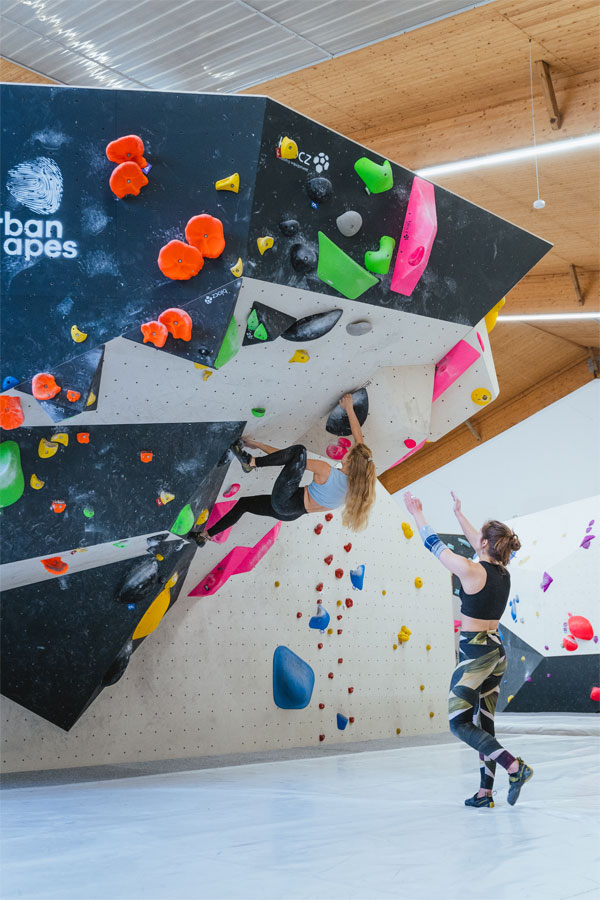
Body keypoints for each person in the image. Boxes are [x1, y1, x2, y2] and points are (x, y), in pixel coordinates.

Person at [403, 488, 533, 808]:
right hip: (496, 653)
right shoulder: (502, 574)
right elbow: (480, 541)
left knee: (458, 723)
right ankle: (484, 793)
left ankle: (515, 768)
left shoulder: (472, 570)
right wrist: (458, 513)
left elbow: (434, 546)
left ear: (485, 545)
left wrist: (417, 512)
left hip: (475, 655)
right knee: (483, 721)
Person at [190, 394, 376, 545]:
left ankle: (251, 463)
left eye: (349, 451)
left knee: (299, 452)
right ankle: (205, 535)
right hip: (291, 513)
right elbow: (360, 442)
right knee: (243, 504)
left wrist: (258, 446)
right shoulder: (354, 489)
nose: (347, 450)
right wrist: (349, 409)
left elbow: (287, 457)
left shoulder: (326, 471)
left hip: (286, 499)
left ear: (351, 461)